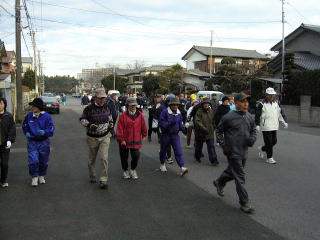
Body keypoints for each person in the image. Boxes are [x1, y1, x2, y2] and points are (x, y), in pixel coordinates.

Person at [213, 92, 256, 214]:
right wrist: (223, 145)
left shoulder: (249, 116)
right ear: (236, 103)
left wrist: (252, 139)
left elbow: (253, 130)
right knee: (240, 177)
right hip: (232, 151)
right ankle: (244, 203)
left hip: (244, 151)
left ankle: (219, 182)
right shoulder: (228, 117)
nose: (246, 104)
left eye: (247, 102)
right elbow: (219, 131)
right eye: (243, 102)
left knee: (233, 172)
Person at [79, 88, 114, 189]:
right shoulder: (89, 108)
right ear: (95, 98)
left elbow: (110, 117)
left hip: (105, 136)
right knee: (92, 159)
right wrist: (90, 125)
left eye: (103, 98)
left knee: (104, 158)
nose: (102, 100)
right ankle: (92, 175)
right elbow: (82, 119)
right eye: (100, 98)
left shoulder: (108, 107)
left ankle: (103, 180)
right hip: (92, 137)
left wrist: (111, 124)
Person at [22, 98, 55, 187]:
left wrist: (45, 132)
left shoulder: (47, 117)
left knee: (44, 161)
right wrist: (27, 132)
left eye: (34, 106)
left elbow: (51, 129)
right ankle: (34, 177)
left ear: (39, 107)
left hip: (44, 142)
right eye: (32, 106)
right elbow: (25, 125)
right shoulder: (29, 115)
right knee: (33, 160)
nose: (32, 107)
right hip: (32, 142)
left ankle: (41, 175)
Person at [116, 97, 147, 180]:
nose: (133, 107)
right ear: (127, 106)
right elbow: (119, 128)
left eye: (134, 105)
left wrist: (144, 134)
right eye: (131, 105)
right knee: (124, 157)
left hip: (136, 139)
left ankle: (133, 170)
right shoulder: (123, 116)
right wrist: (121, 139)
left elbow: (143, 125)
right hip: (125, 140)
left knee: (136, 156)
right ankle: (125, 170)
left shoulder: (140, 115)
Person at [255, 87, 288, 164]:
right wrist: (257, 124)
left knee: (274, 141)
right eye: (269, 95)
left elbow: (280, 113)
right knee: (269, 142)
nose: (271, 96)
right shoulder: (261, 103)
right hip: (265, 125)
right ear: (266, 95)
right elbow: (257, 115)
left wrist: (284, 122)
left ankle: (263, 149)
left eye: (273, 95)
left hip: (274, 125)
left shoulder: (276, 102)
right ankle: (269, 158)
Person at [159, 98, 188, 176]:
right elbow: (161, 122)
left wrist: (183, 129)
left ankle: (182, 167)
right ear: (170, 105)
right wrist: (169, 124)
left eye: (177, 104)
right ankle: (162, 164)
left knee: (178, 151)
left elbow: (180, 122)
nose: (175, 106)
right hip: (165, 134)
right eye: (173, 104)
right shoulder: (165, 112)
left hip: (175, 135)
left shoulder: (179, 113)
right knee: (163, 150)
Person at [194, 99, 219, 165]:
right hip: (200, 132)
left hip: (209, 132)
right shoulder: (199, 111)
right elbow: (197, 121)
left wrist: (214, 127)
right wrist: (203, 128)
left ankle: (213, 160)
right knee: (199, 147)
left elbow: (213, 120)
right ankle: (197, 157)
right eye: (205, 104)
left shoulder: (211, 111)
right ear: (202, 105)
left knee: (211, 146)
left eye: (208, 104)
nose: (206, 105)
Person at [0, 98, 16, 188]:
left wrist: (10, 140)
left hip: (5, 144)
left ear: (4, 104)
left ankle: (3, 180)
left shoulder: (8, 116)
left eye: (1, 104)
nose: (0, 105)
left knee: (4, 164)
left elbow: (12, 129)